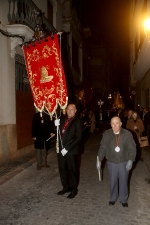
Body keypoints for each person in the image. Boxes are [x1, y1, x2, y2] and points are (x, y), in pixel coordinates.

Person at [96, 116, 136, 207]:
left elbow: (132, 149)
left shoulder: (127, 134)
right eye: (113, 124)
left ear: (121, 124)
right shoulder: (107, 134)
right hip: (111, 162)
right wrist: (99, 159)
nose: (115, 126)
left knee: (124, 181)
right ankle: (113, 198)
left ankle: (123, 199)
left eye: (117, 123)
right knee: (113, 181)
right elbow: (103, 148)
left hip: (124, 162)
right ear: (110, 124)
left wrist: (131, 160)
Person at [56, 104, 82, 199]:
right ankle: (65, 187)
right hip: (61, 150)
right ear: (66, 110)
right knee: (62, 169)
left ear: (75, 111)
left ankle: (74, 189)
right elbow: (59, 133)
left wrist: (67, 148)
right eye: (68, 109)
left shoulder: (77, 122)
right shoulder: (62, 120)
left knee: (72, 170)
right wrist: (56, 126)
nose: (70, 111)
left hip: (71, 151)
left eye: (72, 109)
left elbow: (78, 137)